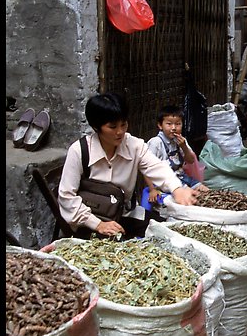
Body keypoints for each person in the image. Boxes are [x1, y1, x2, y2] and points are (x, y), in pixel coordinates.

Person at [58, 92, 199, 239]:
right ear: (96, 127)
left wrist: (177, 188)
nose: (120, 132)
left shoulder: (134, 146)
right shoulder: (79, 151)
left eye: (123, 124)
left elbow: (157, 167)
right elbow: (66, 196)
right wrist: (98, 224)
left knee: (168, 232)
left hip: (124, 214)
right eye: (112, 127)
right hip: (89, 221)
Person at [144, 105, 209, 208]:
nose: (174, 128)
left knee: (207, 193)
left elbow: (191, 160)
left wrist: (183, 146)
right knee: (193, 198)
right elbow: (146, 168)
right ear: (160, 125)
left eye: (178, 124)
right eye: (169, 124)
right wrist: (152, 189)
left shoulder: (181, 140)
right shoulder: (155, 143)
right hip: (165, 182)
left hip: (182, 177)